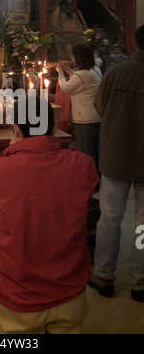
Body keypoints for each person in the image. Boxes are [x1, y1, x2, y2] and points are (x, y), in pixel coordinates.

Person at [0, 98, 99, 334]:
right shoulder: (83, 164)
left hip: (18, 291)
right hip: (69, 290)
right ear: (53, 128)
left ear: (15, 128)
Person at [88, 25, 144, 302]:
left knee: (109, 218)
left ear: (136, 42)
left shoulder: (117, 73)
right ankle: (140, 283)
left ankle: (103, 275)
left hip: (116, 154)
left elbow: (100, 107)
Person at [56, 44, 102, 169]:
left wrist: (60, 73)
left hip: (85, 119)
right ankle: (96, 180)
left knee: (86, 152)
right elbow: (78, 80)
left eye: (73, 57)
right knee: (95, 151)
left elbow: (65, 88)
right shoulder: (94, 70)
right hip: (95, 116)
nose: (72, 60)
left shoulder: (83, 74)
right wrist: (68, 70)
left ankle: (89, 180)